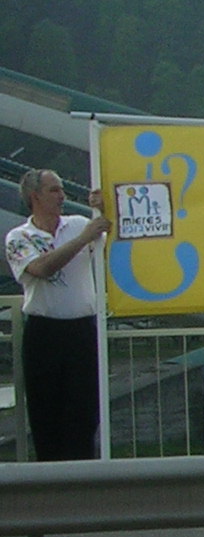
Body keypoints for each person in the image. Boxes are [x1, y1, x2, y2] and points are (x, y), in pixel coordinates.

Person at [5, 170, 110, 461]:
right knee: (46, 414)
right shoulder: (19, 237)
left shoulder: (78, 224)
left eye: (62, 189)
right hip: (44, 334)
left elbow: (110, 234)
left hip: (82, 332)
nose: (62, 196)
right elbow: (41, 269)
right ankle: (51, 486)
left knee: (84, 414)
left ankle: (84, 486)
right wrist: (82, 240)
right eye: (54, 190)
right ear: (35, 196)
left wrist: (103, 206)